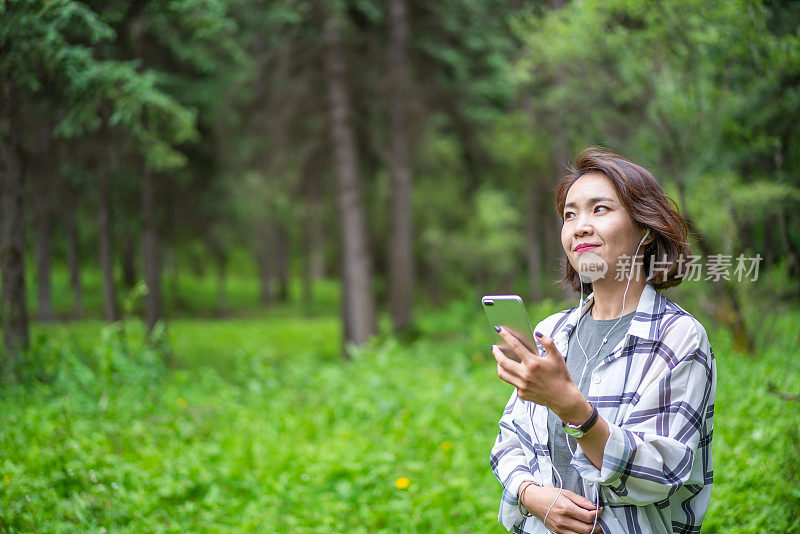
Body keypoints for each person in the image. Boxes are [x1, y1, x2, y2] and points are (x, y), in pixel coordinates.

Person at [489, 147, 716, 534]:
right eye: (570, 214)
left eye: (600, 209)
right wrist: (530, 495)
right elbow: (509, 441)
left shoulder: (676, 336)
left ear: (645, 230)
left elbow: (661, 472)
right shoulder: (553, 332)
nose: (579, 226)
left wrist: (571, 409)